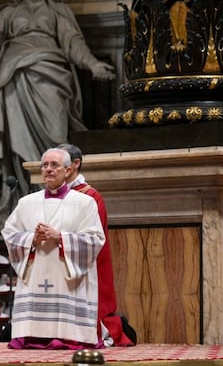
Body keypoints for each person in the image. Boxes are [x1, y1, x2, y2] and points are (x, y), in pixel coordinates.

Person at [0, 0, 115, 195]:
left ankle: (56, 190)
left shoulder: (57, 11)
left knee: (56, 132)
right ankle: (21, 194)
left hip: (51, 74)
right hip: (14, 76)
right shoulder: (9, 12)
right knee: (17, 139)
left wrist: (93, 65)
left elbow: (73, 42)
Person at [2, 147, 105, 349]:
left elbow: (95, 240)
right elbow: (9, 234)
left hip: (66, 275)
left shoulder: (85, 203)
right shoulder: (26, 203)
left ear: (67, 170)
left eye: (54, 165)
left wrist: (61, 237)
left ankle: (68, 335)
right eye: (45, 165)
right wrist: (32, 239)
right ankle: (33, 335)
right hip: (37, 270)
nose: (48, 169)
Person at [57, 143, 135, 347]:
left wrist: (62, 239)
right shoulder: (53, 195)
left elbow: (94, 238)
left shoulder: (90, 196)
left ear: (75, 164)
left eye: (59, 162)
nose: (53, 168)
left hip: (85, 262)